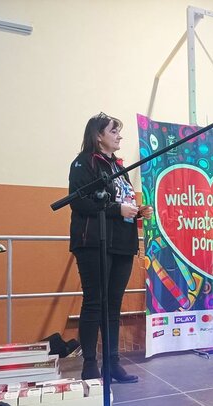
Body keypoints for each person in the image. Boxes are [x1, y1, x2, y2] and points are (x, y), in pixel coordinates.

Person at [68, 113, 153, 382]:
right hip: (94, 242)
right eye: (113, 131)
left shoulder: (118, 166)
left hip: (122, 243)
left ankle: (112, 363)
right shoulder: (84, 163)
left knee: (114, 305)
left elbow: (121, 201)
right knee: (95, 302)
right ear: (98, 135)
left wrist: (137, 211)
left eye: (118, 131)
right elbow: (80, 202)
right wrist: (118, 209)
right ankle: (89, 364)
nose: (119, 136)